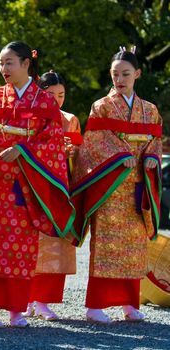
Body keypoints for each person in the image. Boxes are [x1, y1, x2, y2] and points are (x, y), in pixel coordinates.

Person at [0, 41, 74, 328]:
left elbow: (52, 144)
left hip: (25, 187)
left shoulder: (45, 103)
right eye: (1, 63)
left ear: (26, 64)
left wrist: (24, 151)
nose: (4, 69)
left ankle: (15, 309)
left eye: (9, 63)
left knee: (20, 250)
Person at [71, 46, 162, 323]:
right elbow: (95, 142)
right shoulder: (102, 106)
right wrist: (119, 156)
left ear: (137, 74)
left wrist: (152, 159)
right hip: (110, 187)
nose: (119, 79)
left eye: (125, 74)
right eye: (115, 74)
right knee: (107, 246)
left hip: (137, 185)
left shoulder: (150, 110)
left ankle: (130, 304)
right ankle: (95, 306)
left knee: (135, 247)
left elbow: (155, 141)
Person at [24, 71, 81, 320]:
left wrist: (73, 153)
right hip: (36, 186)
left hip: (61, 187)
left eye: (61, 95)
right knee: (31, 245)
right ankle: (26, 298)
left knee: (57, 245)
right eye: (50, 95)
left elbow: (81, 153)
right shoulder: (31, 116)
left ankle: (45, 301)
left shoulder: (70, 119)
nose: (57, 100)